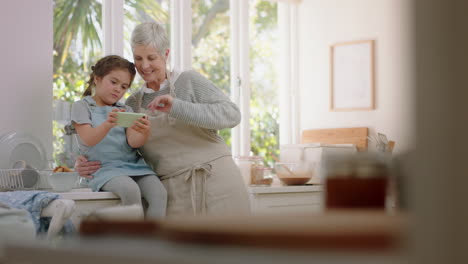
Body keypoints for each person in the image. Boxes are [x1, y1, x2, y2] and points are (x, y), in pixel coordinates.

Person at [75, 22, 250, 216]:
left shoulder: (188, 81)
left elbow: (232, 114)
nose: (145, 65)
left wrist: (177, 106)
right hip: (171, 192)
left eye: (151, 57)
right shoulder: (132, 103)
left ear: (165, 55)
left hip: (218, 182)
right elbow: (125, 150)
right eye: (138, 58)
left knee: (230, 246)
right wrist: (86, 161)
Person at [71, 55, 167, 219]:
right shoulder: (82, 106)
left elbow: (133, 142)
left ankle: (152, 240)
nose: (118, 89)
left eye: (124, 86)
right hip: (103, 169)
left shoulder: (126, 110)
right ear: (98, 79)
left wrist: (143, 132)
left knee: (160, 194)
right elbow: (88, 138)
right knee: (130, 190)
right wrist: (108, 124)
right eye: (113, 82)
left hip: (133, 165)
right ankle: (131, 241)